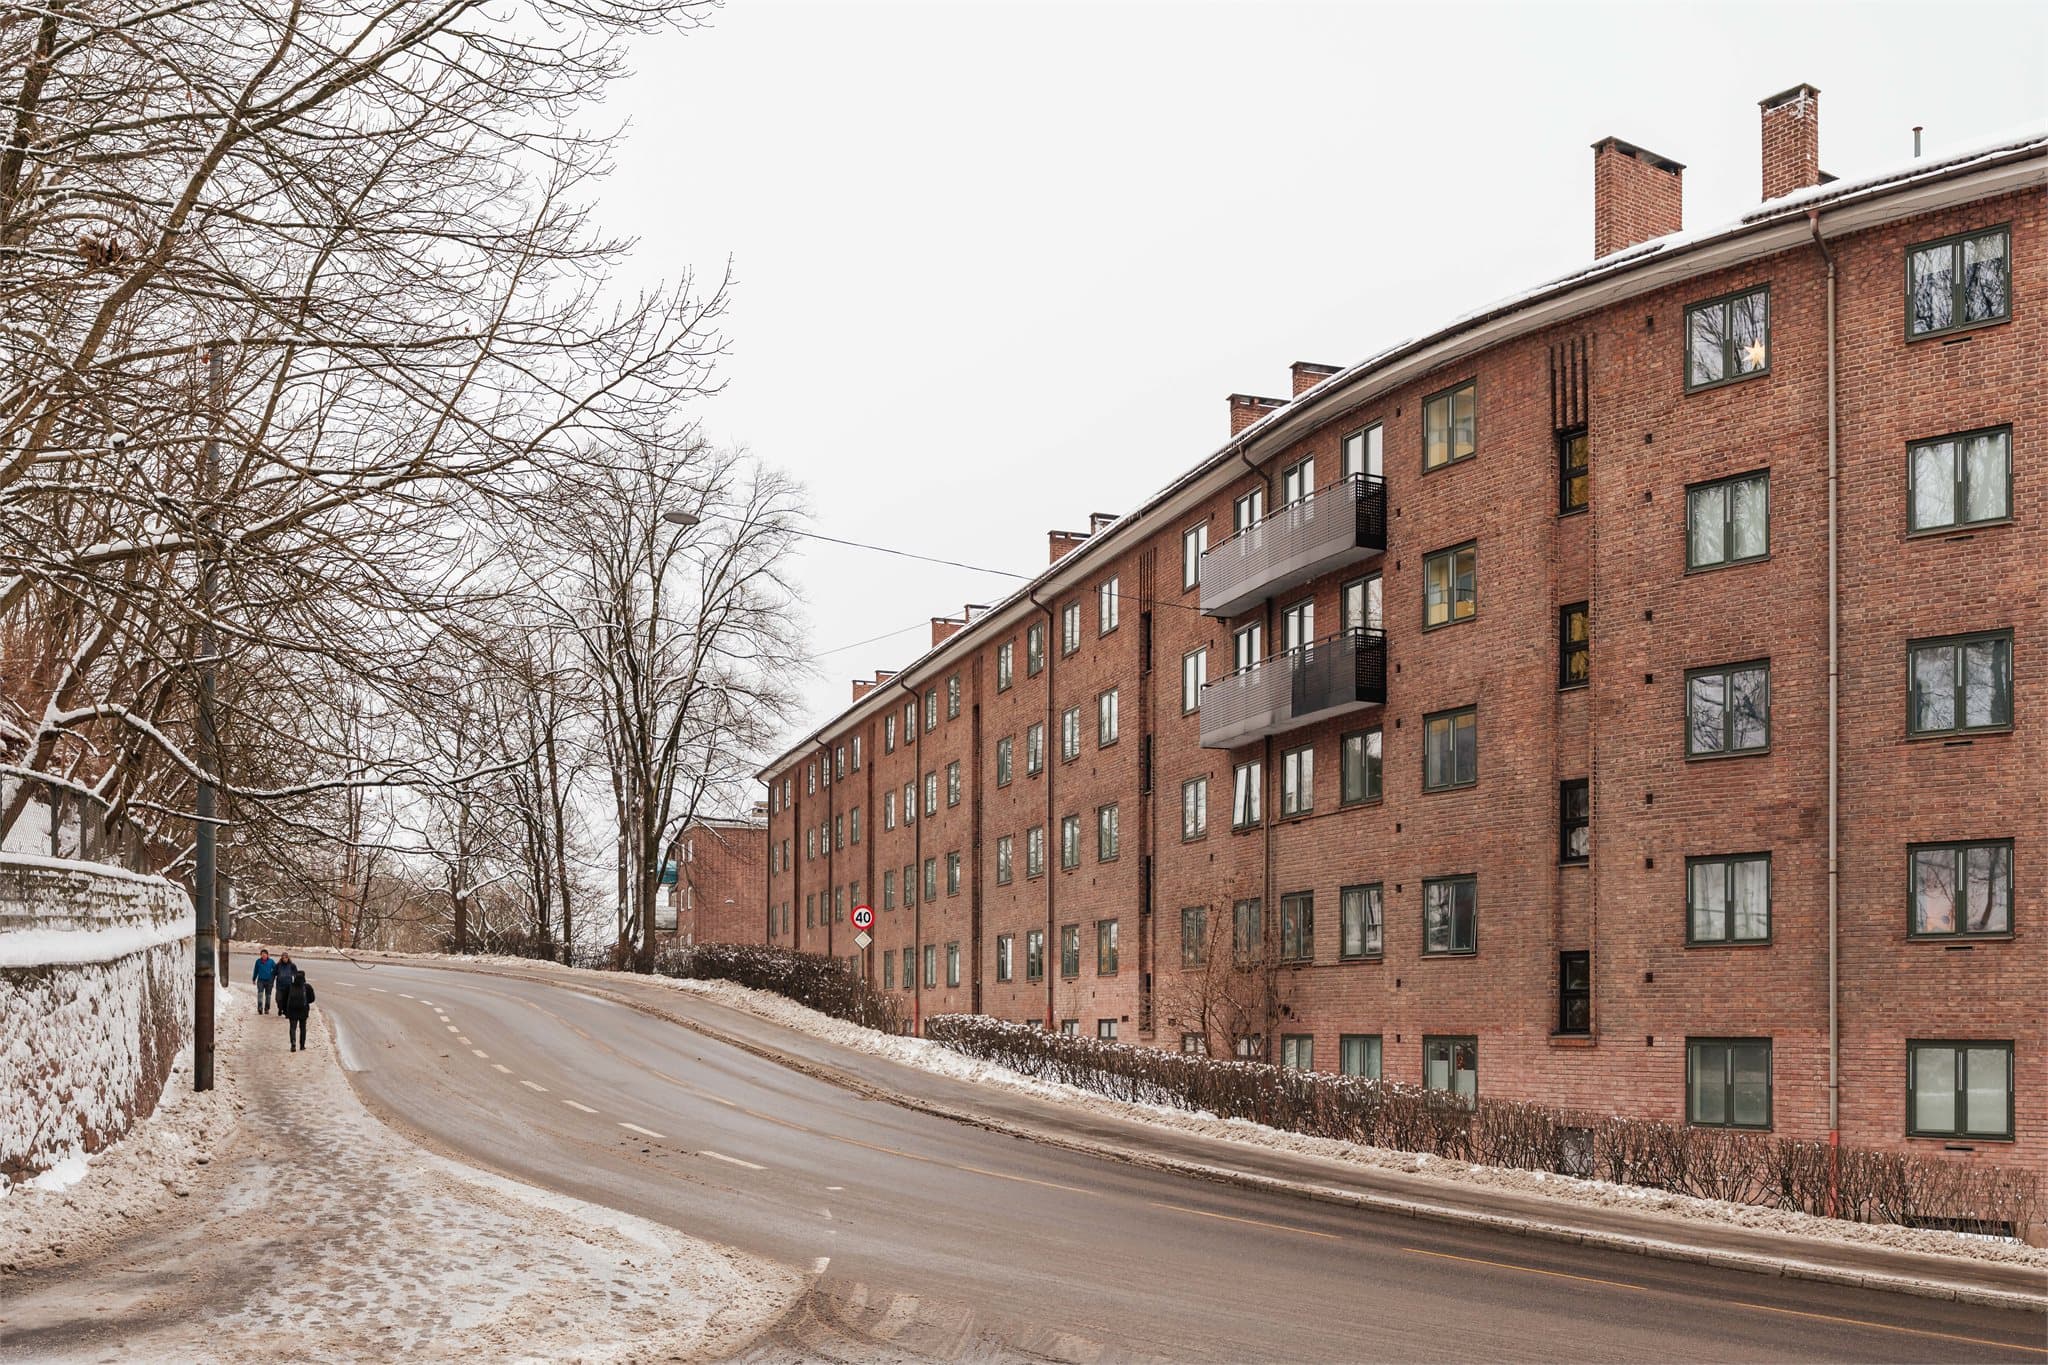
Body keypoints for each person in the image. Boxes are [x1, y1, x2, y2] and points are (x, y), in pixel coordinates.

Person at [280, 970, 316, 1052]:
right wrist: (305, 1002)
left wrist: (285, 1011)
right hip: (303, 1011)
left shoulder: (289, 987)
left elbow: (284, 1000)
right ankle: (302, 1045)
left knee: (293, 1028)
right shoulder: (307, 987)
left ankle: (293, 1043)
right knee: (303, 1028)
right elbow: (312, 999)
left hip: (292, 1011)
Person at [251, 949, 277, 1014]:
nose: (263, 955)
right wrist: (254, 979)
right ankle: (260, 1008)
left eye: (265, 954)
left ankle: (267, 1009)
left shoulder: (271, 961)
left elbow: (276, 969)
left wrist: (273, 976)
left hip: (269, 981)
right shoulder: (258, 961)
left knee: (268, 996)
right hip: (260, 981)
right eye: (262, 954)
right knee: (260, 994)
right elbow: (256, 970)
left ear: (267, 955)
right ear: (261, 955)